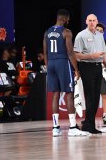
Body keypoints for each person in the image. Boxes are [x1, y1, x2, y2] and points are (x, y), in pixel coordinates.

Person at [43, 9, 89, 137]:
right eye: (68, 20)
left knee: (55, 95)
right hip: (62, 63)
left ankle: (55, 127)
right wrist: (76, 69)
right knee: (69, 94)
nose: (68, 22)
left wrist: (48, 67)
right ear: (64, 19)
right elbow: (70, 52)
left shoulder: (47, 32)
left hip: (51, 63)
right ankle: (73, 127)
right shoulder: (66, 32)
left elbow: (45, 52)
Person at [74, 14, 106, 134]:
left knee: (95, 96)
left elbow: (103, 53)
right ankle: (88, 124)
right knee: (89, 95)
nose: (92, 23)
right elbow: (76, 55)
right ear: (86, 22)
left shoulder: (100, 35)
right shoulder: (81, 35)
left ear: (97, 21)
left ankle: (90, 124)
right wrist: (90, 56)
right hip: (86, 66)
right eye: (90, 21)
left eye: (94, 20)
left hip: (98, 67)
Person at [95, 22, 106, 125]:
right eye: (97, 31)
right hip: (92, 71)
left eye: (101, 31)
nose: (99, 33)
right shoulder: (89, 42)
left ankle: (105, 116)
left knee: (104, 94)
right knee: (91, 96)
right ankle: (90, 117)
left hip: (103, 72)